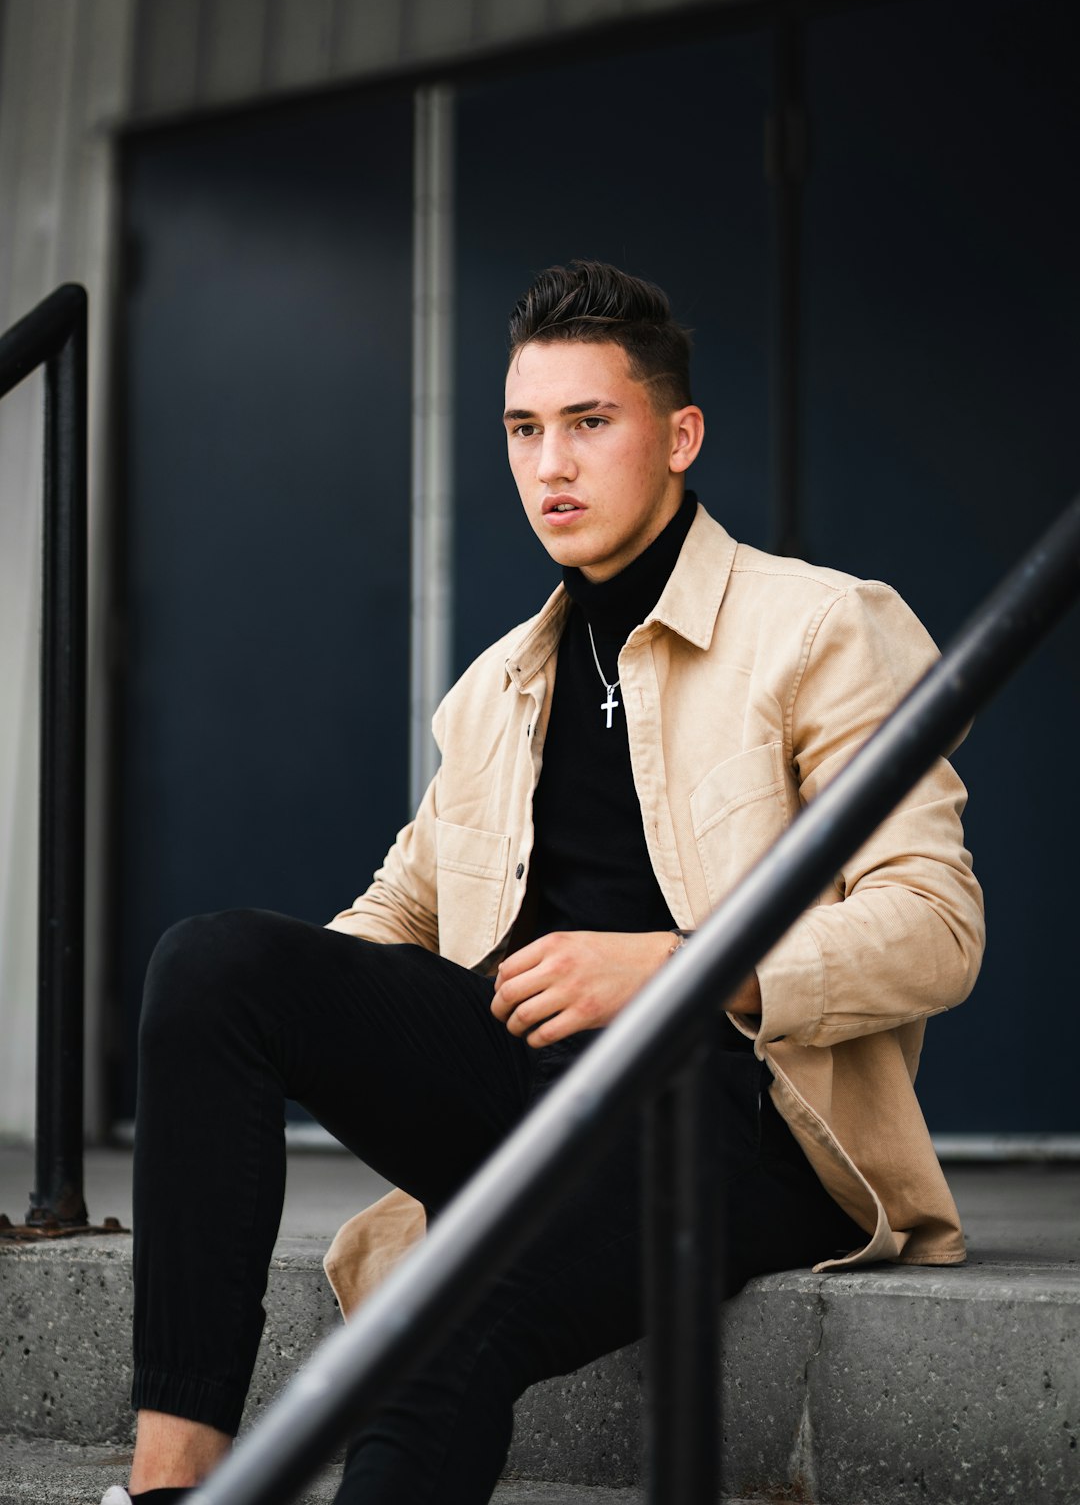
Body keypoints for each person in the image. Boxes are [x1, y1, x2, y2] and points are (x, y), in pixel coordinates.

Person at [104, 261, 984, 1505]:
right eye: (524, 429)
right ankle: (168, 1484)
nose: (549, 465)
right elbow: (394, 915)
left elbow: (939, 927)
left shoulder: (824, 627)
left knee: (437, 1313)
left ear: (678, 436)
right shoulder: (498, 688)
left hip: (734, 1124)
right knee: (212, 965)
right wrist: (318, 1028)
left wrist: (679, 970)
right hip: (522, 1094)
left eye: (589, 423)